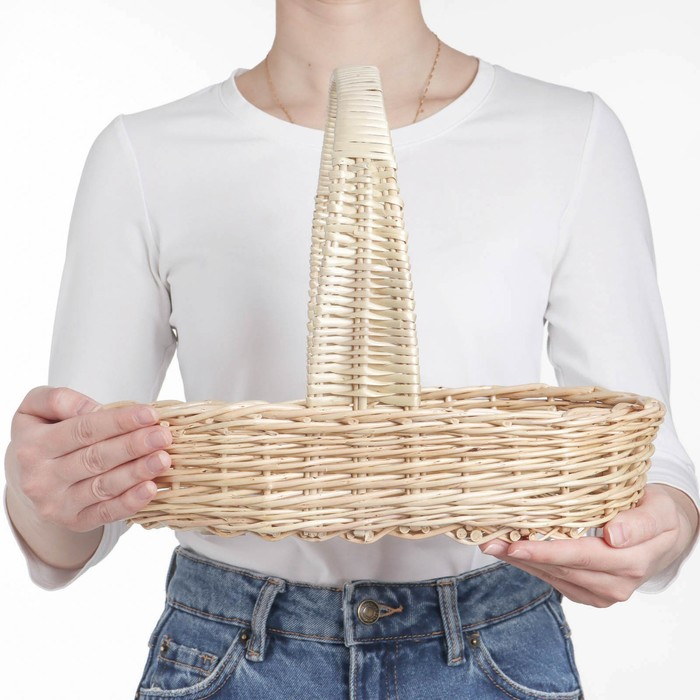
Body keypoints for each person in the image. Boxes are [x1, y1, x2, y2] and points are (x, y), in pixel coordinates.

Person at [4, 0, 699, 697]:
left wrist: (659, 531)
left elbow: (649, 461)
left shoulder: (569, 134)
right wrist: (41, 495)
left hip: (495, 648)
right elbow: (81, 503)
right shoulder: (144, 152)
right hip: (232, 652)